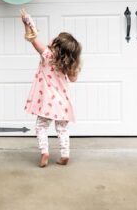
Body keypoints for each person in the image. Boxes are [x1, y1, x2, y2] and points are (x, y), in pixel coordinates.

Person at [21, 9, 81, 168]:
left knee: (41, 126)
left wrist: (26, 24)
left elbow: (32, 39)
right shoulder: (68, 64)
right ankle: (65, 154)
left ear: (56, 45)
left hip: (47, 102)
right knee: (62, 129)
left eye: (56, 38)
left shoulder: (47, 55)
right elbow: (73, 79)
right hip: (63, 102)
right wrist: (74, 66)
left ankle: (45, 152)